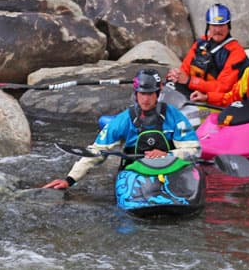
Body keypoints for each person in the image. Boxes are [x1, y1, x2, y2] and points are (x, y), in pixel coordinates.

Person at [43, 68, 201, 189]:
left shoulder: (175, 116)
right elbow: (96, 151)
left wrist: (167, 154)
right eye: (142, 93)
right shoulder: (124, 119)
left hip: (171, 169)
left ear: (158, 93)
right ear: (136, 93)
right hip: (137, 172)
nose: (145, 99)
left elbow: (194, 150)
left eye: (150, 94)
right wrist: (69, 180)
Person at [166, 3, 248, 101]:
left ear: (228, 26)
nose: (217, 30)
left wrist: (190, 81)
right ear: (208, 26)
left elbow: (224, 87)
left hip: (218, 100)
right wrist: (176, 75)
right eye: (214, 25)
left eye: (222, 25)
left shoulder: (236, 52)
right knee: (167, 88)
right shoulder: (200, 43)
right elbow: (185, 69)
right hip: (196, 91)